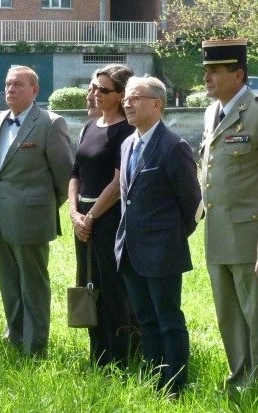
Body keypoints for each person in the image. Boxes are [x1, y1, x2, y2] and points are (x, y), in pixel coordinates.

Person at [114, 76, 202, 396]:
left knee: (169, 321)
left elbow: (193, 205)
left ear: (156, 104)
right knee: (146, 321)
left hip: (163, 251)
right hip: (130, 250)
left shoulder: (173, 146)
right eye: (126, 98)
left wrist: (171, 238)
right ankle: (155, 381)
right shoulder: (127, 144)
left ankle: (176, 387)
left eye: (135, 98)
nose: (127, 103)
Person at [0, 66, 73, 356]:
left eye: (18, 85)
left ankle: (36, 345)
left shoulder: (49, 123)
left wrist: (39, 207)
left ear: (35, 90)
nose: (10, 89)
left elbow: (64, 178)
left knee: (32, 284)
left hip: (30, 217)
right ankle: (15, 335)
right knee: (8, 280)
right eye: (8, 84)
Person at [68, 64, 137, 367]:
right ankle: (98, 354)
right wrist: (73, 212)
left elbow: (119, 182)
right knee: (88, 284)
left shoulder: (126, 130)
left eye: (103, 90)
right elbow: (75, 173)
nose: (94, 94)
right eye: (94, 87)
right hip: (82, 218)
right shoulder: (89, 126)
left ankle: (121, 355)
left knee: (112, 286)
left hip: (108, 218)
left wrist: (92, 216)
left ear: (121, 95)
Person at [200, 38, 258, 391]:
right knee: (228, 314)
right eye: (206, 70)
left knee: (255, 313)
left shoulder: (256, 112)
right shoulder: (211, 113)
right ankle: (241, 378)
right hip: (218, 229)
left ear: (238, 74)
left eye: (215, 70)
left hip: (249, 233)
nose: (207, 77)